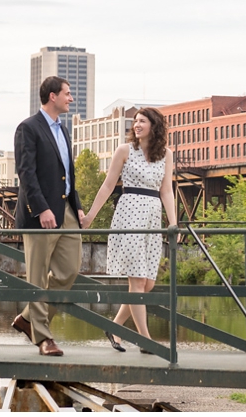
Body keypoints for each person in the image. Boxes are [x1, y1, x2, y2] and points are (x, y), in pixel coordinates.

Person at [82, 107, 176, 353]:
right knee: (137, 281)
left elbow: (167, 190)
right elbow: (108, 185)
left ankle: (115, 327)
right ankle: (145, 340)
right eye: (135, 121)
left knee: (148, 284)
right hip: (129, 215)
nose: (136, 124)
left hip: (152, 219)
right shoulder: (124, 151)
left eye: (142, 121)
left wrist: (173, 224)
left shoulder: (166, 155)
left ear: (154, 126)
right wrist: (91, 215)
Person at [11, 76, 85, 357]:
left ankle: (28, 318)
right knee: (37, 276)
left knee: (70, 270)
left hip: (65, 210)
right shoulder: (28, 129)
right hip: (39, 213)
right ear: (52, 96)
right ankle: (43, 337)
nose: (71, 98)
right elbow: (26, 173)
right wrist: (41, 208)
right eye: (68, 93)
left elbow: (68, 173)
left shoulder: (63, 131)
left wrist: (76, 205)